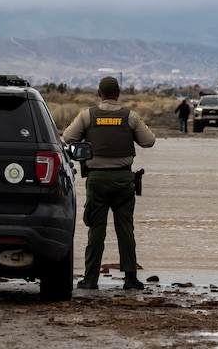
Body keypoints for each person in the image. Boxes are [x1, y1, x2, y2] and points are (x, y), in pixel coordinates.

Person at [63, 76, 156, 290]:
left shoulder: (87, 115)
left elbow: (67, 137)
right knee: (125, 229)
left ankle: (90, 279)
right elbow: (149, 141)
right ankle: (130, 278)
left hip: (97, 180)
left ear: (99, 93)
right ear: (119, 93)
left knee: (96, 230)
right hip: (123, 180)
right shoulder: (130, 116)